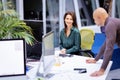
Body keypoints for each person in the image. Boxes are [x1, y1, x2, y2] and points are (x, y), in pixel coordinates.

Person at [86, 7, 120, 77]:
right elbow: (105, 45)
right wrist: (96, 59)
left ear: (99, 17)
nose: (94, 21)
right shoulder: (110, 23)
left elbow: (109, 49)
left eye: (94, 19)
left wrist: (102, 70)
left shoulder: (110, 25)